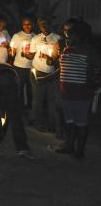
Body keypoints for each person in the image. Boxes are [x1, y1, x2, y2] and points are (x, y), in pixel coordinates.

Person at [55, 20, 100, 159]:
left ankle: (80, 150)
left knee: (81, 124)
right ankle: (69, 145)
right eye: (66, 35)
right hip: (66, 94)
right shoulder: (66, 50)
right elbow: (62, 69)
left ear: (79, 36)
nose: (66, 38)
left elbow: (97, 68)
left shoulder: (89, 52)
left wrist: (95, 83)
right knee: (69, 122)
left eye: (69, 35)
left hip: (81, 96)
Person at [24, 17, 61, 133]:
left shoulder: (57, 38)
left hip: (52, 74)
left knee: (52, 99)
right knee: (37, 99)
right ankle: (37, 122)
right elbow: (32, 55)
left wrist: (53, 60)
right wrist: (25, 54)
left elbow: (59, 58)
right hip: (37, 71)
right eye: (41, 24)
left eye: (46, 23)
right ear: (39, 26)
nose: (44, 25)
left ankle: (52, 124)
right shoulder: (35, 39)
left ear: (50, 24)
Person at [9, 17, 35, 111]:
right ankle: (18, 109)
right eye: (25, 24)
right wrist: (11, 51)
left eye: (29, 24)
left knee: (31, 89)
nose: (27, 26)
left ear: (32, 25)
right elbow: (12, 51)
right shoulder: (17, 36)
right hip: (19, 67)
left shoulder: (34, 36)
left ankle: (30, 108)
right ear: (22, 25)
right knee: (19, 88)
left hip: (31, 67)